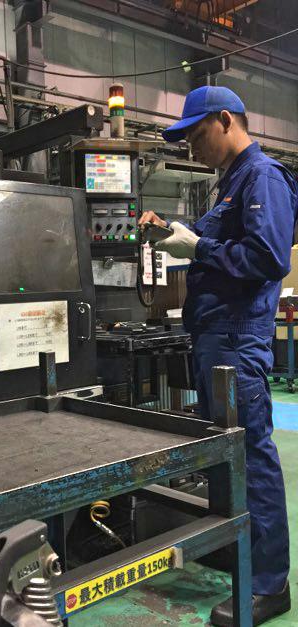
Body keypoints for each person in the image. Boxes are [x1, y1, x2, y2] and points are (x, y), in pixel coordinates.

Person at [139, 85, 296, 626]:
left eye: (196, 134)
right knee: (225, 455)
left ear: (226, 120)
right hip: (213, 338)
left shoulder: (263, 177)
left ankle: (270, 585)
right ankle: (242, 555)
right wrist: (170, 232)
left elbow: (269, 257)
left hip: (237, 340)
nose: (191, 148)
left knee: (250, 457)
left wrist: (199, 248)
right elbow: (209, 239)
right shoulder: (229, 186)